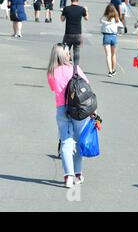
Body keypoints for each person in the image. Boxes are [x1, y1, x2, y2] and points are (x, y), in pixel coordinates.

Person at [47, 43, 91, 188]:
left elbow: (53, 88)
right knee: (78, 142)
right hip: (78, 109)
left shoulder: (51, 72)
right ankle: (78, 173)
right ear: (63, 55)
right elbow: (86, 86)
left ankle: (69, 176)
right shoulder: (75, 69)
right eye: (67, 52)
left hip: (61, 109)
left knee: (66, 141)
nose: (69, 54)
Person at [61, 0, 89, 65]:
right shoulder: (81, 9)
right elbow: (86, 18)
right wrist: (86, 10)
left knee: (65, 49)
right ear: (78, 1)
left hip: (68, 33)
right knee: (76, 51)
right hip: (78, 34)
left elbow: (62, 19)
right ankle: (76, 67)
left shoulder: (66, 8)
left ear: (71, 0)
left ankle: (68, 61)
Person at [100, 4, 123, 77]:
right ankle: (113, 70)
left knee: (108, 55)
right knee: (114, 54)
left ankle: (110, 71)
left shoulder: (104, 18)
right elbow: (121, 27)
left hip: (106, 36)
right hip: (114, 36)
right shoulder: (116, 19)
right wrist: (119, 33)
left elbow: (101, 21)